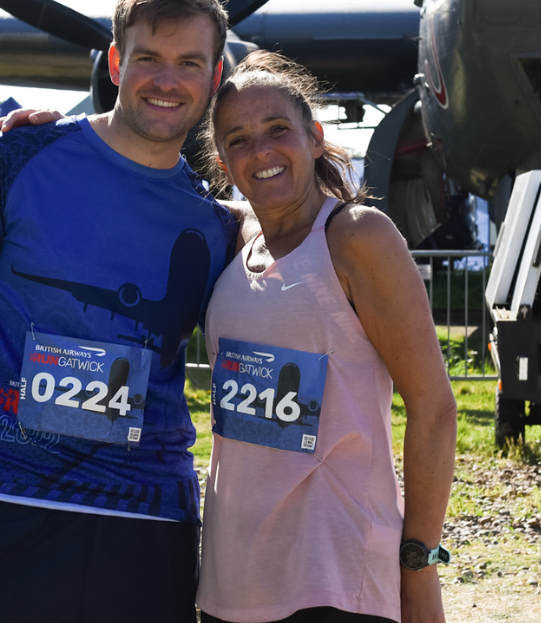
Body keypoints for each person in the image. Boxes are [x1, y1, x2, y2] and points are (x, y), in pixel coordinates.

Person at [0, 0, 238, 623]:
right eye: (149, 59)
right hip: (4, 507)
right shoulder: (15, 159)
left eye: (189, 63)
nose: (168, 80)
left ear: (215, 74)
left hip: (148, 527)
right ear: (115, 63)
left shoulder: (218, 223)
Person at [196, 52, 457, 623]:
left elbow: (434, 408)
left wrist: (419, 564)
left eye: (277, 130)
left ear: (315, 138)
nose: (260, 151)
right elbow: (134, 177)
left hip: (334, 577)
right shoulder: (234, 237)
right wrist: (51, 135)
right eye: (238, 140)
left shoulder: (356, 235)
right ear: (222, 162)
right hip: (231, 580)